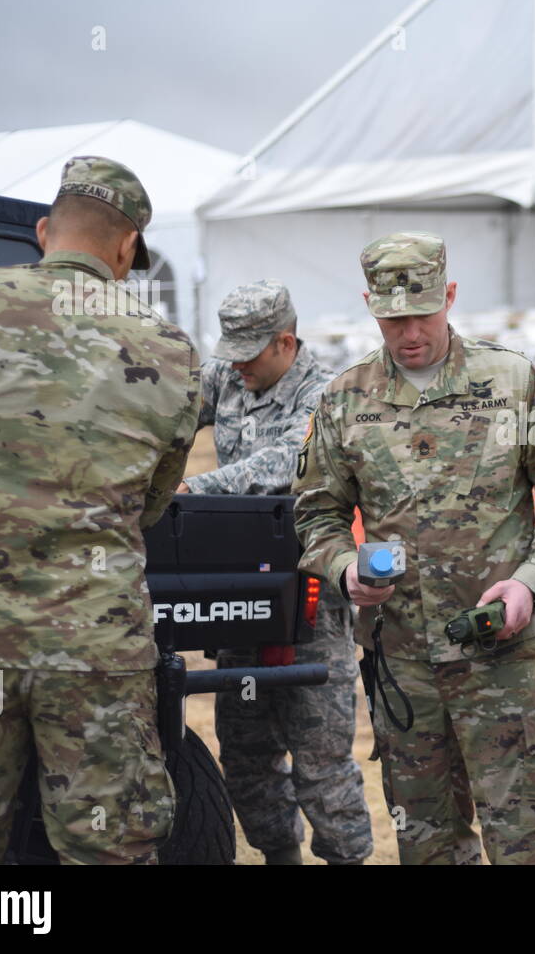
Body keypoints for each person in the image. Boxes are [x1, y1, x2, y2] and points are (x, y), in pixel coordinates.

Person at [0, 156, 200, 864]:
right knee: (107, 846)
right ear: (127, 248)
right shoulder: (171, 352)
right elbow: (152, 499)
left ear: (43, 230)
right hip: (95, 646)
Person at [292, 231, 535, 865]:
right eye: (392, 318)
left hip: (500, 657)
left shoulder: (512, 381)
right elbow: (317, 513)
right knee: (425, 842)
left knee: (522, 840)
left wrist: (530, 583)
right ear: (369, 305)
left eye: (423, 313)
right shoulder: (345, 399)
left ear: (450, 295)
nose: (409, 333)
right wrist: (345, 569)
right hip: (403, 662)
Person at [179, 278, 372, 865]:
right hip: (241, 595)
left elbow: (286, 462)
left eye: (249, 354)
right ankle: (277, 856)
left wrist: (190, 489)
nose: (236, 366)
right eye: (230, 353)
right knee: (245, 752)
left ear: (285, 342)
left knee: (322, 758)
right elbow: (168, 416)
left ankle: (344, 858)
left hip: (309, 596)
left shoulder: (327, 393)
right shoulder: (227, 376)